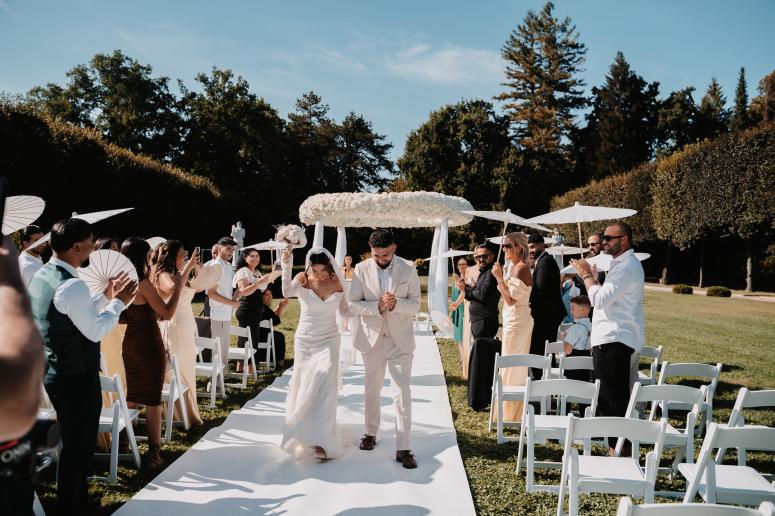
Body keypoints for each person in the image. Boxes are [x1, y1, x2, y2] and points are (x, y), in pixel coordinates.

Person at [29, 218, 136, 514]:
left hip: (54, 372)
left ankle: (78, 501)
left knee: (75, 442)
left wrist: (105, 298)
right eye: (90, 242)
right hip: (76, 377)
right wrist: (119, 302)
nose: (92, 247)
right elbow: (95, 330)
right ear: (76, 246)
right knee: (79, 446)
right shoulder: (72, 284)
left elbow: (73, 315)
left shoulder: (43, 275)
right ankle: (70, 507)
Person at [121, 237, 196, 467]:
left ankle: (122, 444)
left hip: (130, 343)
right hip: (148, 344)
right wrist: (179, 287)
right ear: (141, 256)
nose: (150, 258)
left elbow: (124, 316)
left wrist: (146, 313)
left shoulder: (122, 282)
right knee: (153, 400)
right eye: (148, 254)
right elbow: (168, 313)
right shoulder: (142, 284)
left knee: (133, 395)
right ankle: (154, 455)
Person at [349, 229, 421, 469]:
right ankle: (370, 432)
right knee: (372, 390)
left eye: (385, 255)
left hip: (400, 341)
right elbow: (353, 304)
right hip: (372, 340)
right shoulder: (360, 269)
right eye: (376, 255)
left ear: (394, 248)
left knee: (402, 393)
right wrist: (377, 307)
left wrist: (396, 303)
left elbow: (415, 305)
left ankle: (404, 447)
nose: (381, 259)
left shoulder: (409, 268)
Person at [572, 222, 644, 454]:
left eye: (609, 238)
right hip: (613, 338)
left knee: (613, 401)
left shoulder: (627, 266)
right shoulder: (620, 265)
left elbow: (599, 300)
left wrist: (585, 275)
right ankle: (619, 451)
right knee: (613, 399)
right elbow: (609, 297)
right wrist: (595, 280)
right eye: (603, 238)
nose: (604, 242)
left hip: (614, 340)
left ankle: (619, 453)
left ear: (624, 240)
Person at [281, 246, 349, 460]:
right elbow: (286, 292)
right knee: (306, 383)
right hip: (306, 339)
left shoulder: (338, 281)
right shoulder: (303, 278)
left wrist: (368, 307)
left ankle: (323, 440)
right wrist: (286, 265)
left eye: (322, 270)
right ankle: (302, 432)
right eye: (315, 270)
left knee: (326, 383)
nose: (318, 274)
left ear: (329, 267)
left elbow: (346, 311)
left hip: (330, 338)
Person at [151, 240, 206, 427]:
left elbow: (192, 287)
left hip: (186, 325)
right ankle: (179, 414)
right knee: (179, 369)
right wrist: (188, 267)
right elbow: (172, 289)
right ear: (173, 255)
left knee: (188, 367)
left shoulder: (177, 273)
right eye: (182, 252)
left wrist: (196, 270)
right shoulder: (163, 274)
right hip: (174, 327)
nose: (186, 255)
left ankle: (190, 411)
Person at [490, 232, 533, 422]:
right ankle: (505, 410)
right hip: (512, 319)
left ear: (519, 248)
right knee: (509, 362)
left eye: (508, 245)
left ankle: (511, 414)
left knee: (513, 365)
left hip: (517, 321)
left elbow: (509, 299)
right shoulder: (514, 267)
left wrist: (499, 278)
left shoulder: (521, 269)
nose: (504, 249)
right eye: (504, 245)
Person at [527, 233, 566, 379]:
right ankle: (546, 380)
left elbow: (540, 288)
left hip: (546, 315)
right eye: (529, 248)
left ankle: (542, 381)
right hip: (548, 313)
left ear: (541, 245)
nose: (530, 251)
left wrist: (527, 299)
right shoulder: (543, 261)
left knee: (540, 349)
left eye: (532, 247)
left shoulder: (546, 262)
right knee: (545, 350)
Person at [233, 248, 274, 373]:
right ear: (245, 257)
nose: (256, 258)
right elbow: (243, 291)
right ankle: (250, 370)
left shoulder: (257, 272)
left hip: (255, 310)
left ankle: (241, 368)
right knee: (249, 339)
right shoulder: (243, 271)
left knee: (247, 338)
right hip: (247, 309)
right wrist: (258, 283)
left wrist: (268, 280)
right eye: (252, 256)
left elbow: (261, 289)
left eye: (257, 255)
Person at [455, 242, 500, 340]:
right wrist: (465, 288)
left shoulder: (491, 272)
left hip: (484, 321)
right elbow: (477, 292)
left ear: (492, 256)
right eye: (478, 257)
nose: (481, 259)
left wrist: (465, 289)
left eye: (484, 256)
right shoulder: (485, 271)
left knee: (481, 348)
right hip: (480, 320)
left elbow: (482, 294)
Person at [206, 237, 239, 368]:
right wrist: (231, 303)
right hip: (218, 314)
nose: (231, 252)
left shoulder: (228, 266)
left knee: (224, 350)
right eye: (228, 249)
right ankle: (216, 379)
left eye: (233, 249)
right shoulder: (216, 266)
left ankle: (221, 378)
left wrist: (237, 295)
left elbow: (226, 291)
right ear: (219, 248)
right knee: (218, 351)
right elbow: (211, 293)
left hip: (226, 313)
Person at [560, 295, 593, 382]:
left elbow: (567, 350)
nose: (571, 312)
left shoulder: (575, 328)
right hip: (586, 362)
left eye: (573, 309)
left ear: (583, 310)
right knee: (583, 386)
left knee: (571, 387)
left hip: (573, 365)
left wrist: (566, 338)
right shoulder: (592, 326)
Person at [259, 289, 288, 370]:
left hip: (256, 336)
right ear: (261, 296)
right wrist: (281, 308)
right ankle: (279, 361)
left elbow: (270, 315)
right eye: (266, 295)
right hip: (263, 337)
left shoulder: (260, 307)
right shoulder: (264, 308)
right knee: (279, 336)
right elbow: (276, 322)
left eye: (270, 294)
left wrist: (279, 306)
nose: (269, 296)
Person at [449, 257, 469, 372]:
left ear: (467, 265)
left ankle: (464, 360)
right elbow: (454, 297)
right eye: (460, 264)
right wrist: (451, 312)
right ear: (457, 266)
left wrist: (458, 281)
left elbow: (464, 292)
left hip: (463, 310)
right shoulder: (457, 278)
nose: (462, 266)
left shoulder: (467, 278)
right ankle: (462, 358)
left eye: (464, 264)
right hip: (456, 310)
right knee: (457, 338)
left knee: (462, 337)